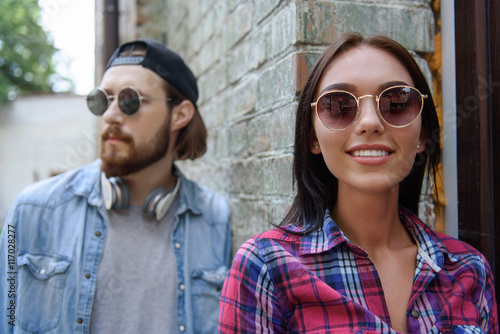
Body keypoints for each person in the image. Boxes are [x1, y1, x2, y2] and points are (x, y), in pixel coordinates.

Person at [218, 32, 498, 333]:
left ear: (422, 134)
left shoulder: (468, 270)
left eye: (396, 102)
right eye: (339, 105)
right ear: (313, 136)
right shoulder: (266, 267)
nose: (369, 123)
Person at [0, 39, 231, 333]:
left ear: (180, 114)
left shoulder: (213, 219)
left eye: (130, 100)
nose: (109, 115)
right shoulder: (34, 210)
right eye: (102, 100)